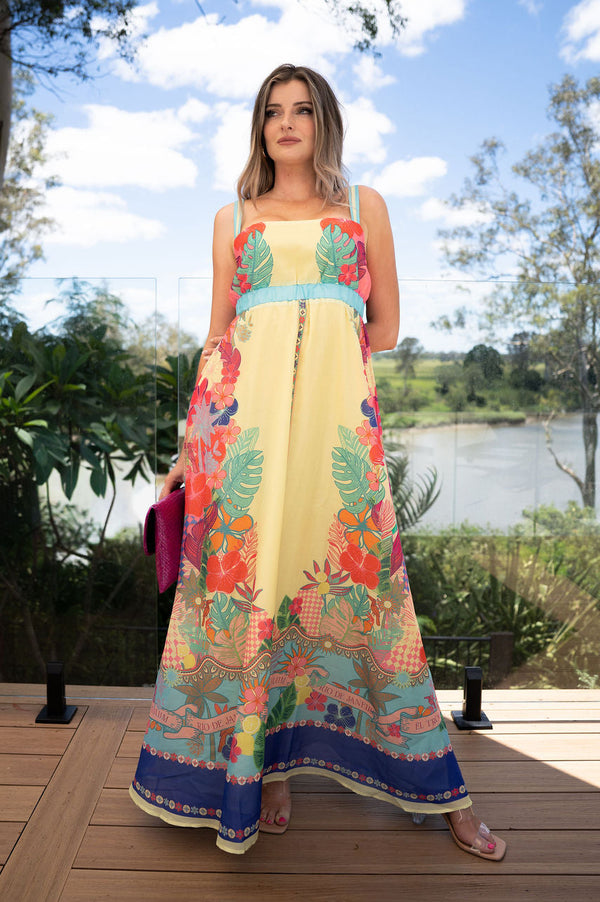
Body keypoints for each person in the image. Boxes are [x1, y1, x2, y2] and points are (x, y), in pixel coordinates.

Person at [130, 63, 506, 861]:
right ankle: (267, 773)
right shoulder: (233, 217)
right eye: (273, 111)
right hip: (247, 443)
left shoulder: (363, 207)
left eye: (302, 109)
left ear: (323, 122)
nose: (287, 122)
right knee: (257, 595)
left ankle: (442, 791)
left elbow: (386, 327)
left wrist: (311, 349)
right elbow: (219, 339)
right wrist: (191, 448)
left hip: (336, 442)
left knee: (372, 598)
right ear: (260, 127)